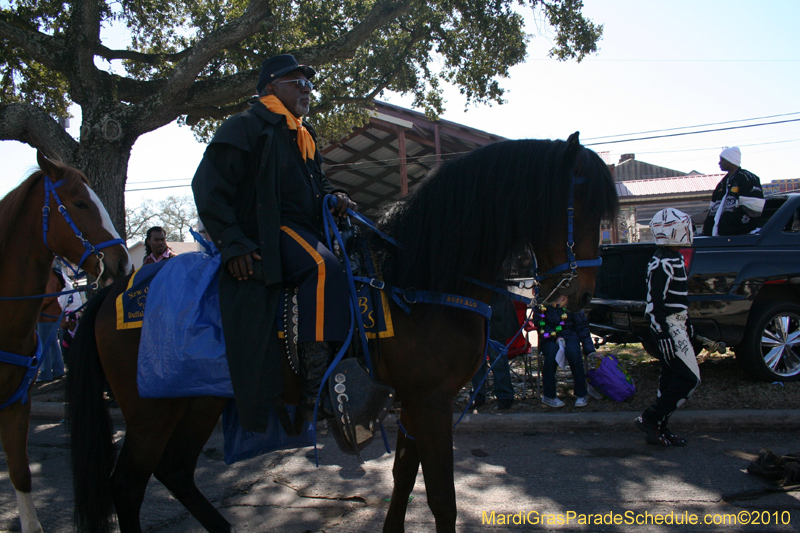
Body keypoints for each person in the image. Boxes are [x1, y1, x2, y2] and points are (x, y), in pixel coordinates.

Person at [192, 54, 357, 431]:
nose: (306, 89)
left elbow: (317, 183)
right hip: (269, 230)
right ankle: (316, 387)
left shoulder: (303, 133)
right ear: (270, 88)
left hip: (309, 227)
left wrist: (334, 195)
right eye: (297, 82)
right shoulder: (244, 126)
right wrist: (233, 242)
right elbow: (207, 186)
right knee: (322, 267)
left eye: (309, 83)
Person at [636, 208, 700, 447]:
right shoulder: (661, 262)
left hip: (676, 325)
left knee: (670, 377)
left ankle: (658, 427)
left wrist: (687, 323)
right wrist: (662, 332)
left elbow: (676, 298)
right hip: (669, 326)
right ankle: (650, 419)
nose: (689, 231)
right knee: (689, 379)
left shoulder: (672, 258)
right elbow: (654, 304)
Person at [538, 294, 594, 408]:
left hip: (570, 335)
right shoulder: (543, 303)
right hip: (549, 337)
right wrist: (555, 336)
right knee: (551, 353)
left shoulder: (573, 304)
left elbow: (582, 328)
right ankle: (549, 395)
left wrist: (590, 350)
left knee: (573, 352)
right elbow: (540, 324)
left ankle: (581, 394)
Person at [702, 146, 765, 236]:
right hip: (719, 235)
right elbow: (713, 208)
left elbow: (753, 209)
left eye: (722, 160)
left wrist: (732, 224)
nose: (719, 163)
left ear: (731, 160)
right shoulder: (723, 183)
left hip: (740, 236)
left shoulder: (747, 178)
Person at [471, 292, 518, 410]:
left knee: (498, 360)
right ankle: (477, 396)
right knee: (476, 360)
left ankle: (505, 396)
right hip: (476, 316)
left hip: (497, 317)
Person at [36, 263, 67, 382]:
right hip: (50, 314)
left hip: (47, 315)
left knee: (45, 344)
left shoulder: (49, 276)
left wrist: (35, 308)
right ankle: (58, 369)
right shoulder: (51, 275)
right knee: (52, 343)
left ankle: (45, 373)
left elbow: (48, 296)